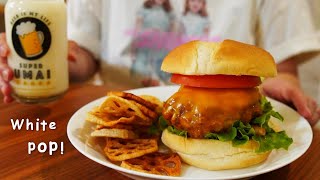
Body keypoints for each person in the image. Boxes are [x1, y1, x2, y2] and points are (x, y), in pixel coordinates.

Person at [0, 0, 319, 125]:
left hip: (237, 109)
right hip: (122, 122)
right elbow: (81, 57)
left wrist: (284, 90)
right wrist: (32, 63)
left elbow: (283, 70)